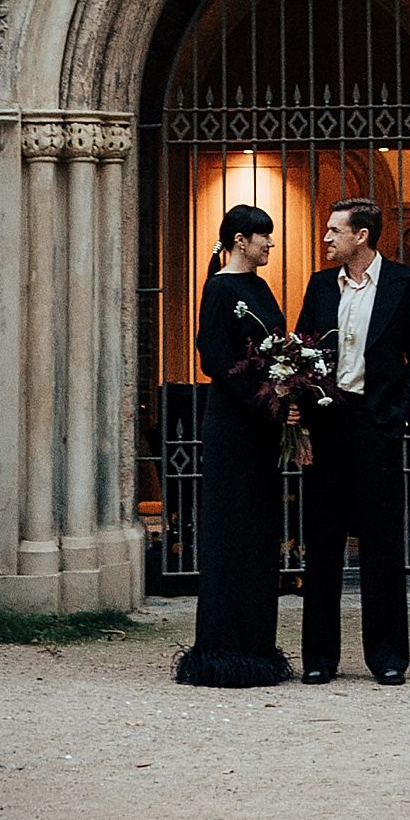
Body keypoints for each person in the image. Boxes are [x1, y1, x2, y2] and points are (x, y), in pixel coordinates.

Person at [293, 194, 410, 684]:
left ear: (361, 236)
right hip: (329, 424)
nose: (326, 238)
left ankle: (388, 657)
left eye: (335, 230)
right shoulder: (318, 286)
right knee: (323, 542)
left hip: (378, 425)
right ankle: (319, 659)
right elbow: (302, 353)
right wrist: (304, 416)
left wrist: (398, 416)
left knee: (382, 543)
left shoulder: (404, 282)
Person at [173, 202, 294, 688]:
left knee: (260, 534)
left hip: (263, 427)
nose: (269, 244)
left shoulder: (261, 287)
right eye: (263, 236)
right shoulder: (220, 288)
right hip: (233, 426)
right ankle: (222, 650)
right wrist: (263, 396)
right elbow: (213, 357)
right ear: (240, 240)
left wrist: (286, 390)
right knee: (230, 532)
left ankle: (255, 647)